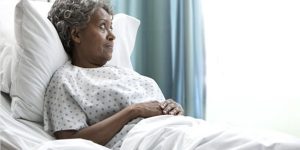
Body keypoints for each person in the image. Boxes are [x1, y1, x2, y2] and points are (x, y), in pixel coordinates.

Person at [43, 0, 184, 149]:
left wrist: (173, 109)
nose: (112, 35)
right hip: (149, 140)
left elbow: (157, 108)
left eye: (111, 27)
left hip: (179, 130)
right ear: (76, 34)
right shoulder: (66, 80)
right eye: (102, 26)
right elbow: (70, 142)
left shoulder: (125, 73)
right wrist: (133, 111)